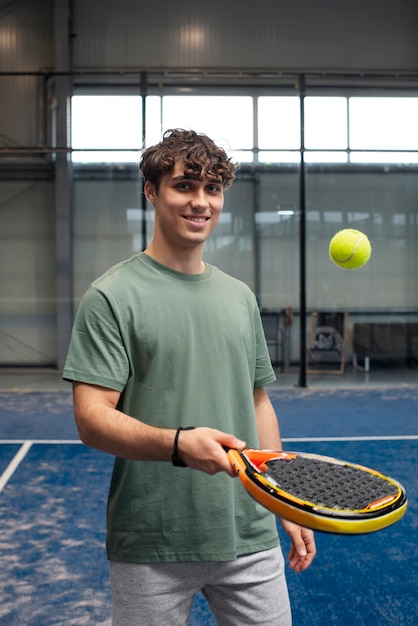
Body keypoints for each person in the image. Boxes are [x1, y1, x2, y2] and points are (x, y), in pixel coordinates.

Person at [63, 128, 316, 626]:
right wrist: (179, 444)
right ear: (152, 191)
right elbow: (92, 419)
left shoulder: (239, 297)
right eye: (184, 186)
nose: (201, 202)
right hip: (152, 540)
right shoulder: (111, 296)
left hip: (248, 533)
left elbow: (258, 402)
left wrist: (284, 500)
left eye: (213, 189)